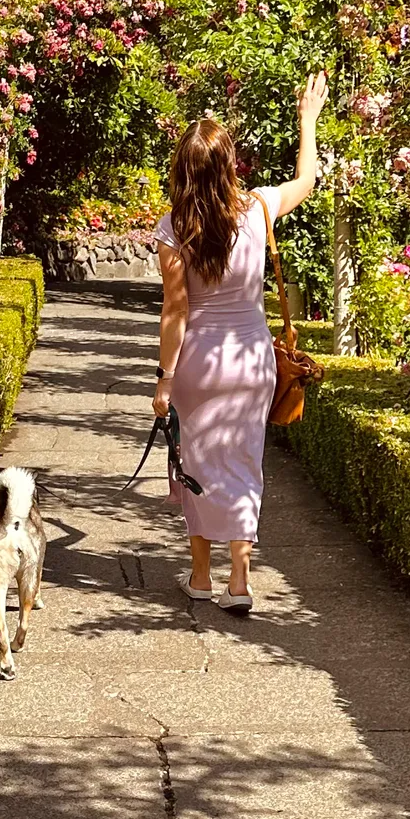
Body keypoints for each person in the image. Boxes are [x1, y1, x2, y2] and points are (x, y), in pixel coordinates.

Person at [151, 74, 329, 611]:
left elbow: (176, 310)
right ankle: (240, 582)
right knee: (246, 462)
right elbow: (307, 179)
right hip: (252, 360)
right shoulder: (259, 208)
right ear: (229, 164)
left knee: (197, 462)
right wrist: (307, 120)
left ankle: (201, 577)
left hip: (199, 364)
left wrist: (164, 380)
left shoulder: (173, 227)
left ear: (183, 170)